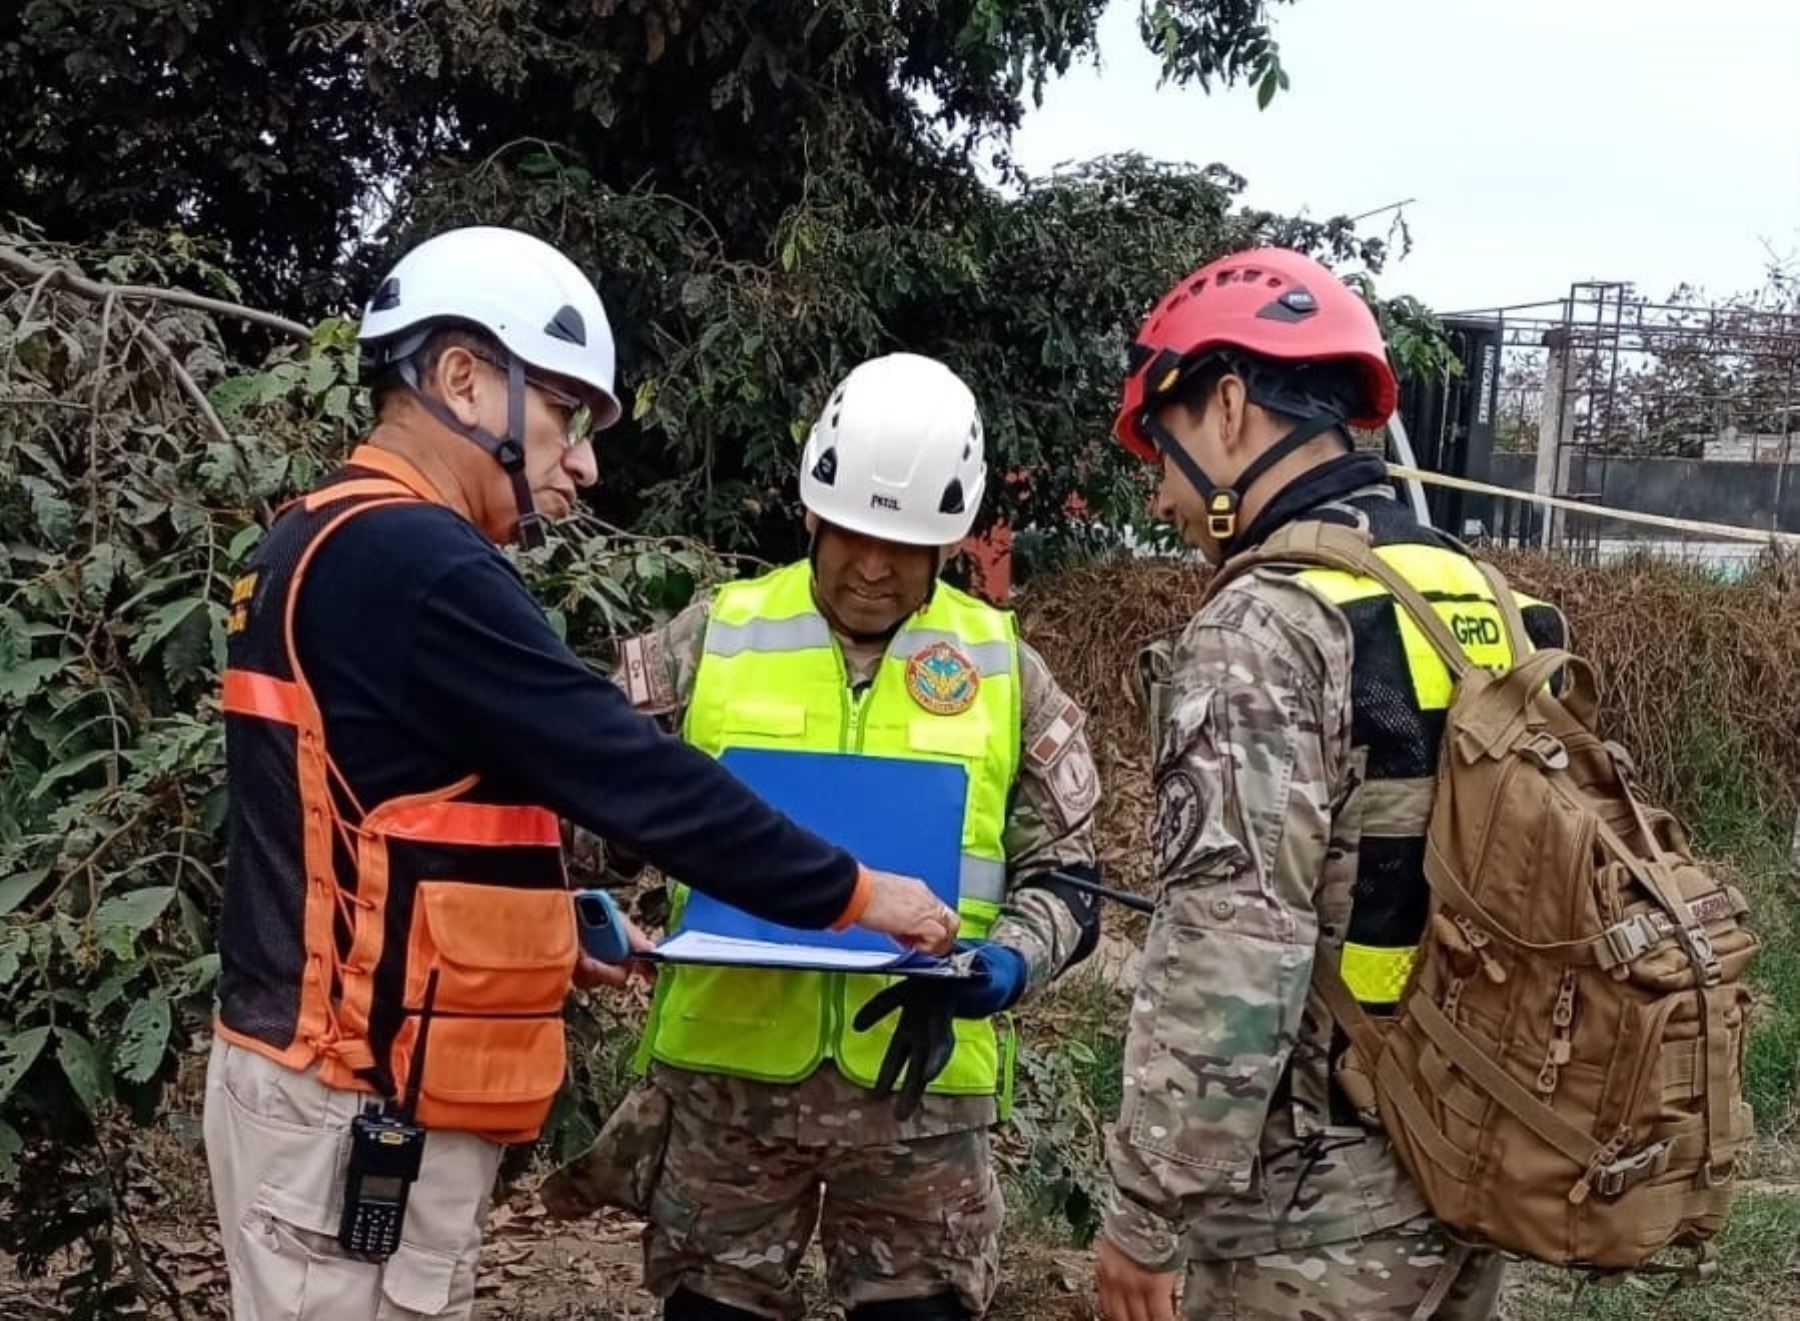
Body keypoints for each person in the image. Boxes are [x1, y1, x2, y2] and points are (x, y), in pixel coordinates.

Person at [206, 227, 956, 1321]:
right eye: (565, 414)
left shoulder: (314, 536)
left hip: (324, 1087)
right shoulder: (418, 563)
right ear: (462, 377)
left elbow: (379, 816)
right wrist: (854, 893)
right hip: (354, 1109)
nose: (585, 462)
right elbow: (630, 771)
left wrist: (550, 923)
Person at [549, 353, 1106, 1321]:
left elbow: (1072, 879)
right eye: (853, 534)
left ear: (953, 542)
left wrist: (1009, 964)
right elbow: (586, 815)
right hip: (727, 1094)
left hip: (920, 1098)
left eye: (907, 543)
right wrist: (573, 908)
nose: (875, 566)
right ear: (811, 510)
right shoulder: (712, 637)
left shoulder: (1007, 672)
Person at [1094, 248, 1568, 1321]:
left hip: (1310, 1215)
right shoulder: (1481, 594)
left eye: (1159, 452)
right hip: (1464, 1158)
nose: (1159, 491)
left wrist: (1145, 1210)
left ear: (1225, 406)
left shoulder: (1265, 623)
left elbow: (1232, 950)